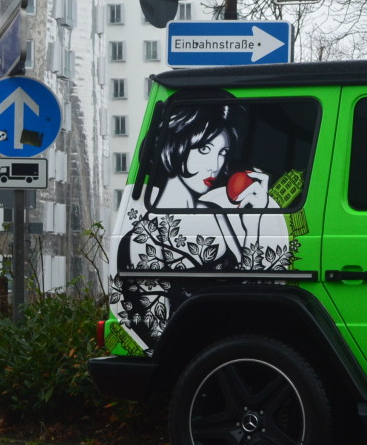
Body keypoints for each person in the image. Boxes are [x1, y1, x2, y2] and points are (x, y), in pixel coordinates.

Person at [112, 99, 292, 346]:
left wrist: (256, 222)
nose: (216, 166)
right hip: (195, 358)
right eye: (205, 149)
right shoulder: (144, 238)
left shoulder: (218, 213)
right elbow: (155, 334)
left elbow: (254, 294)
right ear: (177, 145)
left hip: (233, 350)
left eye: (223, 153)